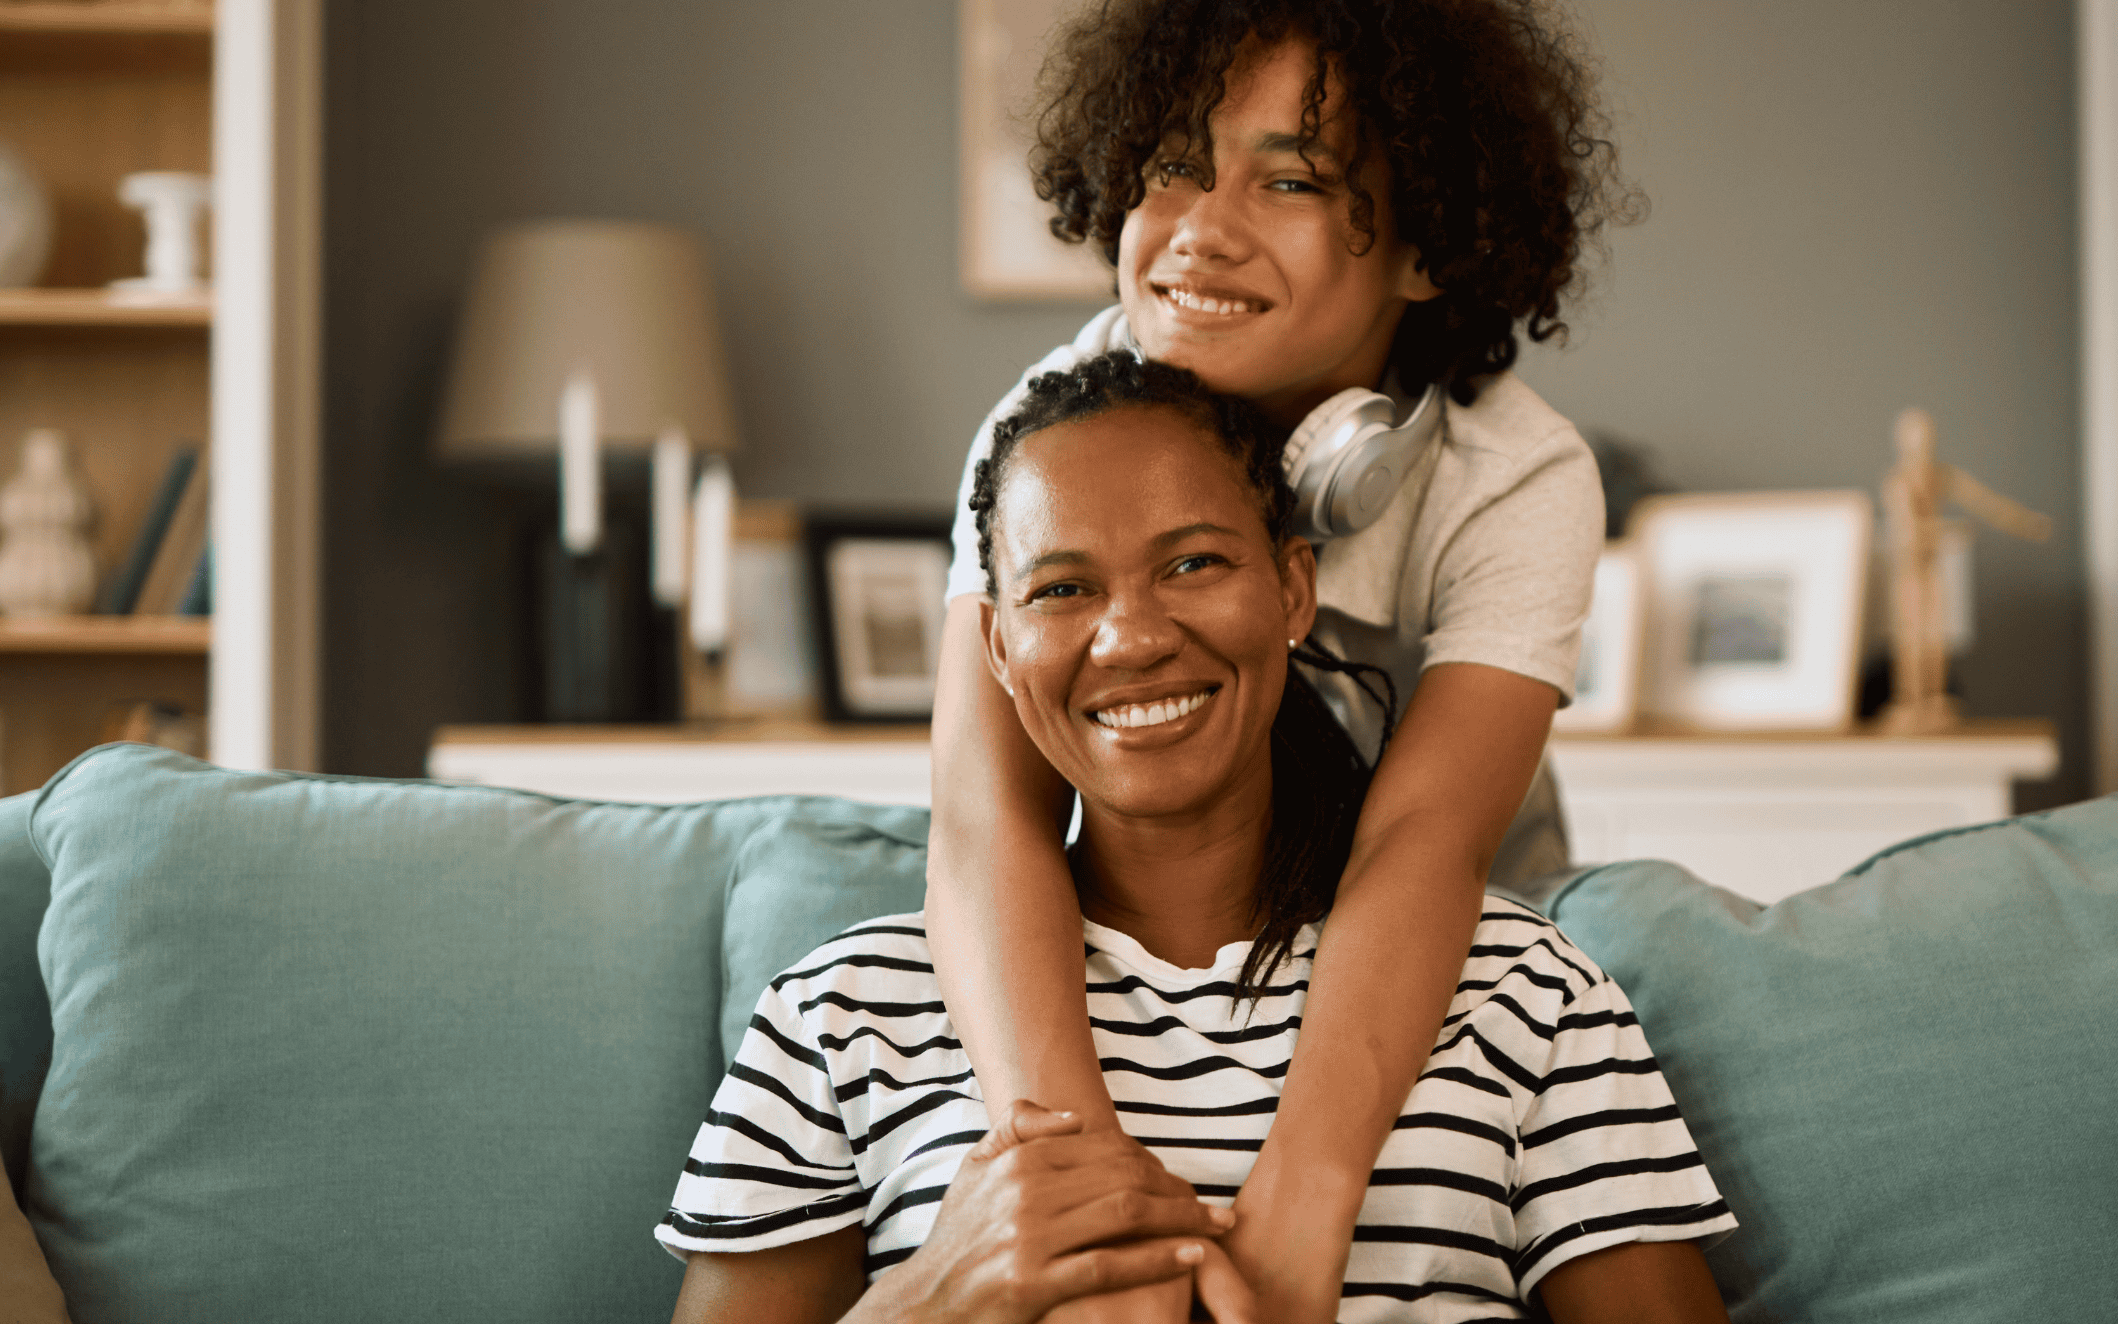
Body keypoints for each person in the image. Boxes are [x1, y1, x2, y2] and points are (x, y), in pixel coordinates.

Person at [660, 356, 1732, 1323]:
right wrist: (934, 1297)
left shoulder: (1527, 996)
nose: (1131, 636)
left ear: (1293, 589)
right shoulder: (842, 1016)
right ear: (995, 645)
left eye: (1193, 565)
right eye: (1063, 587)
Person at [926, 4, 1632, 1316]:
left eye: (1291, 177)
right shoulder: (1038, 437)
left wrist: (1307, 1203)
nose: (1201, 223)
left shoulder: (1516, 477)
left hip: (1437, 941)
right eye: (1172, 165)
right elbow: (983, 822)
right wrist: (1086, 1204)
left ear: (1426, 244)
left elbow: (1424, 846)